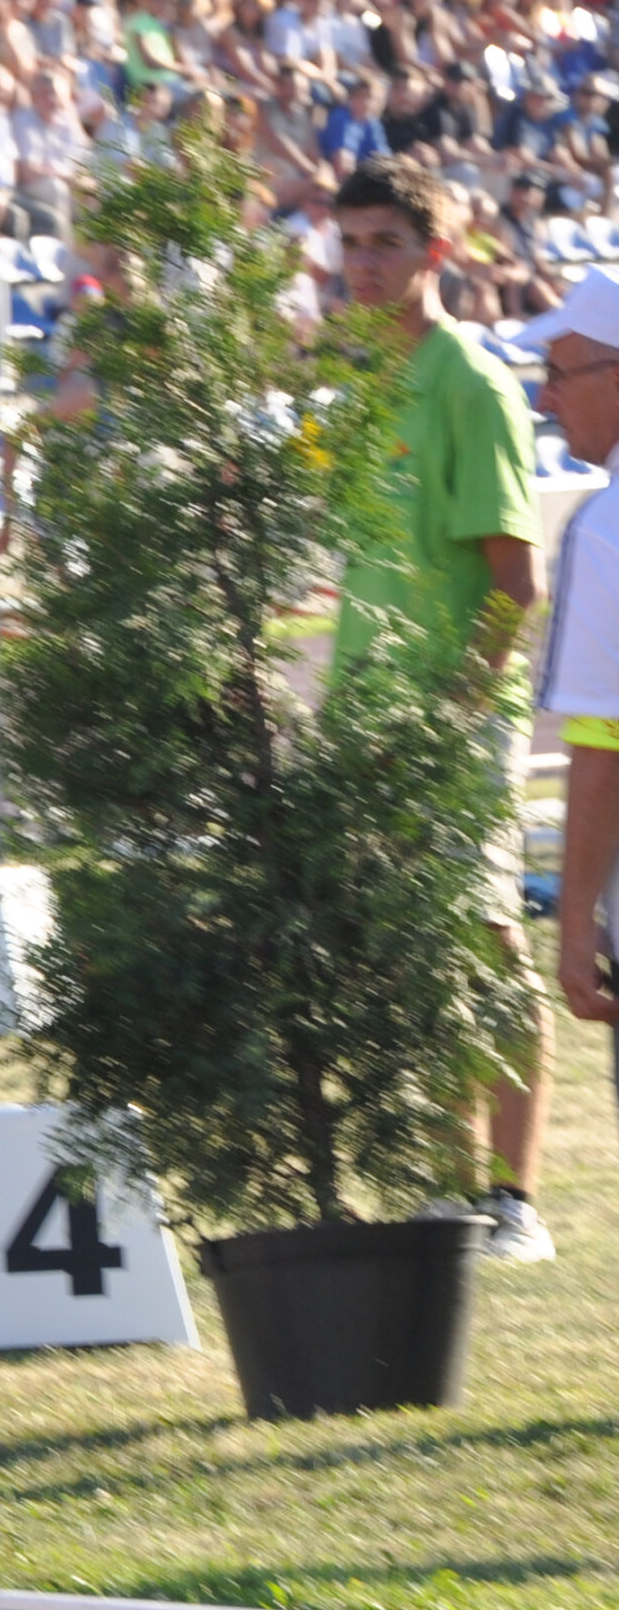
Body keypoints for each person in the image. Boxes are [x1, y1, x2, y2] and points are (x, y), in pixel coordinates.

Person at [333, 153, 549, 1259]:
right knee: (412, 955)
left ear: (437, 252)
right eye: (350, 243)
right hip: (369, 719)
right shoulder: (364, 380)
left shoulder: (470, 382)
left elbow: (515, 584)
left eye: (386, 243)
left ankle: (514, 1200)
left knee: (489, 938)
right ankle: (445, 1184)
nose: (364, 265)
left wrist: (453, 720)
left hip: (453, 721)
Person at [532, 275, 619, 1101]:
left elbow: (602, 747)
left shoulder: (604, 531)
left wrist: (574, 920)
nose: (546, 399)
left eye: (560, 375)